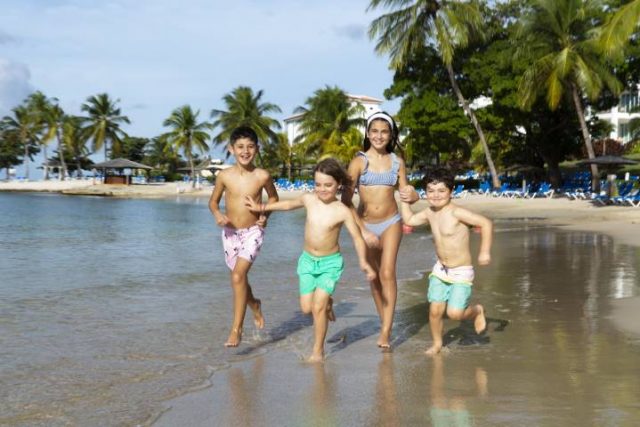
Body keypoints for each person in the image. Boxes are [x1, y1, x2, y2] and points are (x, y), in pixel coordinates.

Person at [245, 158, 376, 362]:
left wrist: (364, 262)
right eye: (318, 184)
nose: (322, 189)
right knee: (307, 308)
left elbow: (358, 238)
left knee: (317, 308)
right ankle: (328, 303)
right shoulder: (309, 199)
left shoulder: (342, 210)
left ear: (338, 184)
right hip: (307, 262)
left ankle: (318, 350)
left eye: (328, 185)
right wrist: (261, 206)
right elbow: (288, 204)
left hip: (330, 264)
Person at [341, 111, 418, 349]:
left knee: (387, 273)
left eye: (384, 131)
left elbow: (406, 196)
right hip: (365, 225)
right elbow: (345, 202)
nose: (379, 136)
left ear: (391, 134)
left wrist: (414, 195)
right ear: (367, 133)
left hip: (391, 222)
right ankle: (385, 321)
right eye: (374, 131)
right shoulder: (358, 162)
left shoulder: (397, 162)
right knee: (374, 278)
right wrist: (363, 231)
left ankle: (385, 331)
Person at [400, 167, 491, 356]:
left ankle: (477, 311)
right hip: (441, 270)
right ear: (425, 192)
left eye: (441, 191)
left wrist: (484, 252)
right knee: (435, 311)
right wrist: (405, 200)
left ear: (451, 191)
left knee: (455, 314)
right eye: (431, 191)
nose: (436, 195)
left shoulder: (457, 213)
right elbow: (408, 220)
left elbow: (486, 223)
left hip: (461, 272)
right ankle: (437, 344)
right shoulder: (429, 213)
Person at [208, 126, 279, 347]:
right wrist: (218, 214)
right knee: (240, 279)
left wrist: (265, 214)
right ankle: (255, 304)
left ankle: (236, 329)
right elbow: (213, 202)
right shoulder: (224, 176)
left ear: (257, 149)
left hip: (253, 232)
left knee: (238, 277)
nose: (245, 151)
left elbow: (274, 198)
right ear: (231, 149)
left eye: (250, 147)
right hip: (230, 233)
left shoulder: (262, 175)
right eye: (240, 147)